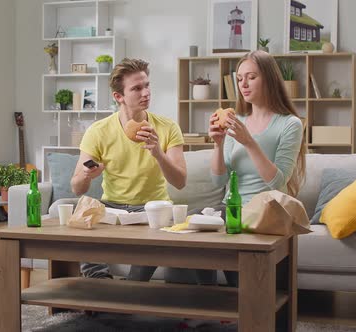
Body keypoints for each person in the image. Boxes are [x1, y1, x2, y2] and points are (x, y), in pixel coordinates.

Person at [70, 58, 187, 282]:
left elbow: (180, 181)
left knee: (161, 229)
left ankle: (132, 287)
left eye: (147, 85)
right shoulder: (98, 131)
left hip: (153, 208)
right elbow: (76, 187)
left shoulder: (167, 127)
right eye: (137, 88)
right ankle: (100, 285)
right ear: (119, 96)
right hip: (112, 207)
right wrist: (86, 175)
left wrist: (158, 154)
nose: (146, 93)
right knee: (81, 214)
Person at [209, 50, 306, 286]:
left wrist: (249, 142)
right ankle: (209, 309)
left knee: (247, 278)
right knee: (192, 244)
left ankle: (240, 306)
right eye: (240, 78)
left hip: (266, 213)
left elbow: (278, 181)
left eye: (251, 77)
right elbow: (219, 182)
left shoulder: (289, 124)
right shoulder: (236, 120)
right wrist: (219, 144)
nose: (243, 84)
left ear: (269, 79)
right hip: (232, 211)